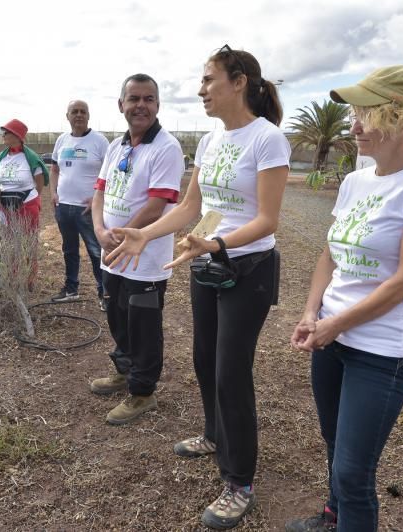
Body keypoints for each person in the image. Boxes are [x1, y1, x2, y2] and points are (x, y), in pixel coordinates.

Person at [106, 49, 289, 528]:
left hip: (248, 269)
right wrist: (147, 233)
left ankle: (239, 481)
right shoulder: (210, 141)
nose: (202, 89)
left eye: (209, 80)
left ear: (239, 81)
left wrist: (219, 242)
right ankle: (213, 434)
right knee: (204, 358)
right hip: (207, 262)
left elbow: (268, 220)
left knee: (232, 371)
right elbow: (191, 206)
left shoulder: (267, 139)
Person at [286, 66, 403, 532]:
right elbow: (330, 254)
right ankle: (332, 518)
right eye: (354, 113)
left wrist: (336, 323)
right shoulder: (355, 182)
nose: (355, 125)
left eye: (369, 113)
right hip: (332, 337)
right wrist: (312, 312)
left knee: (353, 471)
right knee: (334, 442)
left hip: (381, 353)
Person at [89, 73, 184, 425]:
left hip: (145, 259)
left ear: (158, 105)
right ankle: (124, 371)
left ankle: (143, 392)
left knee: (143, 325)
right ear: (121, 105)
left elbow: (159, 203)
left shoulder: (167, 148)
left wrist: (127, 233)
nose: (140, 105)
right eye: (134, 99)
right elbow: (99, 192)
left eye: (148, 99)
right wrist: (100, 229)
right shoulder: (116, 147)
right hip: (112, 255)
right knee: (117, 317)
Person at [49, 101, 110, 310]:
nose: (79, 115)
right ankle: (71, 288)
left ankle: (104, 293)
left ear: (89, 116)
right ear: (67, 116)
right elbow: (55, 169)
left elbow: (110, 173)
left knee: (96, 251)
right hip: (64, 206)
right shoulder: (62, 140)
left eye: (83, 111)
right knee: (69, 250)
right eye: (74, 112)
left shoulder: (100, 141)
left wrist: (96, 199)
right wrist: (53, 193)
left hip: (88, 210)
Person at [0, 119, 49, 290]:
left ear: (17, 135)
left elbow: (40, 182)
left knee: (27, 241)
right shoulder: (2, 157)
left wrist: (28, 198)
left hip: (27, 203)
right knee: (8, 240)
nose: (3, 135)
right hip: (6, 205)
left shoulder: (30, 158)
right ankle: (11, 276)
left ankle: (29, 278)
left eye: (6, 132)